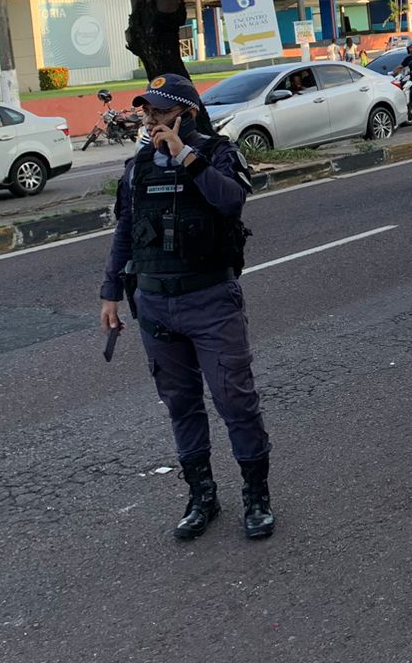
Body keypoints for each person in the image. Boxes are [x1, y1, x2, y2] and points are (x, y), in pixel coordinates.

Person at [98, 74, 275, 541]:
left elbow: (231, 201)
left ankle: (257, 495)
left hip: (211, 300)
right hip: (155, 304)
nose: (151, 120)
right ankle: (202, 496)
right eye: (147, 112)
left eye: (160, 112)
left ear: (187, 114)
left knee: (235, 400)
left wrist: (184, 155)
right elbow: (126, 229)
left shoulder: (217, 154)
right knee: (180, 404)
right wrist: (110, 289)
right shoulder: (138, 165)